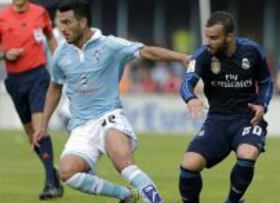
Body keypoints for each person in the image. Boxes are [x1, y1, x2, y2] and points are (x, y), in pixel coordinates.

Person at [33, 0, 190, 202]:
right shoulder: (61, 54)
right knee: (67, 173)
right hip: (81, 125)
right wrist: (43, 123)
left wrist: (183, 58)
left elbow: (146, 51)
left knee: (123, 163)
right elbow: (55, 87)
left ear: (83, 22)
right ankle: (124, 195)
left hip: (109, 116)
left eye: (67, 22)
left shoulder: (110, 45)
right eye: (60, 23)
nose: (62, 29)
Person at [179, 11, 273, 203]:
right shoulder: (202, 55)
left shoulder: (252, 50)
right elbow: (186, 82)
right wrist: (190, 99)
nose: (207, 42)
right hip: (217, 121)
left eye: (213, 38)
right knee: (189, 166)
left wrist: (262, 104)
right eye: (206, 36)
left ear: (229, 37)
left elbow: (266, 81)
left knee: (247, 154)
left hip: (247, 118)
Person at [0, 0, 63, 200]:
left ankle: (49, 184)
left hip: (38, 76)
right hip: (15, 81)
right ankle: (52, 173)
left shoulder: (40, 13)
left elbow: (50, 37)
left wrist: (60, 60)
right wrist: (5, 54)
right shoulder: (0, 18)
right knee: (31, 136)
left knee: (39, 127)